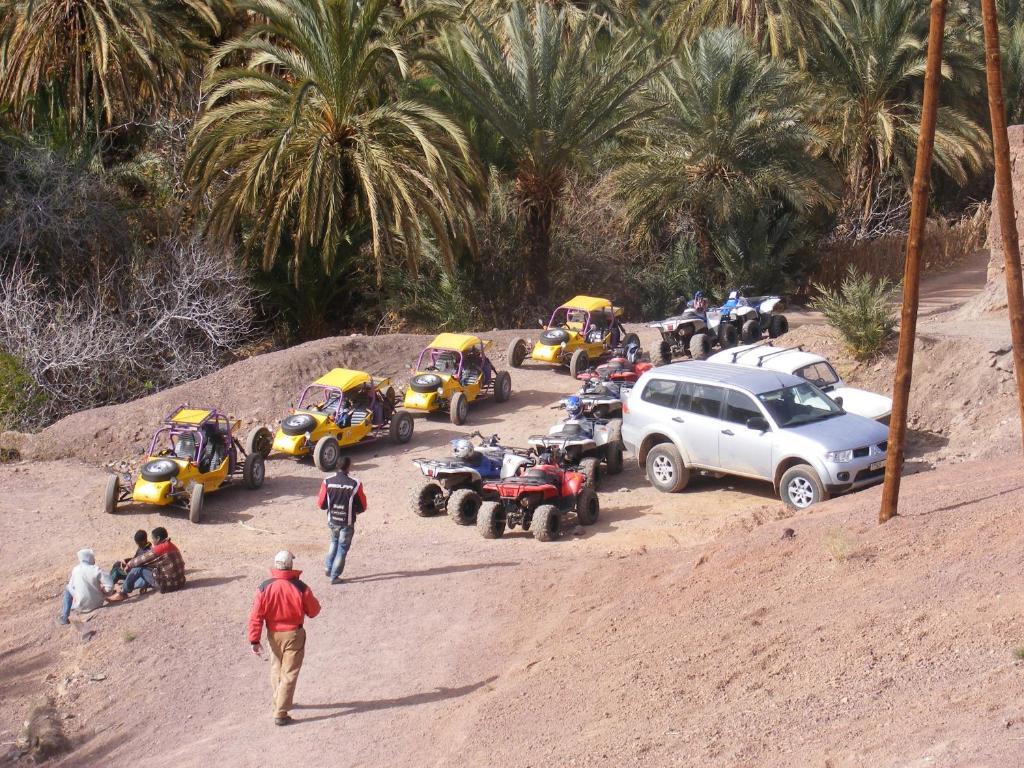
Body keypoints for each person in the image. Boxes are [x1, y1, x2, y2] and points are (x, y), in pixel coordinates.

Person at [248, 550, 321, 726]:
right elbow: (314, 611)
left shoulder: (264, 587)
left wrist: (254, 640)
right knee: (289, 673)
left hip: (273, 635)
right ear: (290, 565)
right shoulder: (300, 587)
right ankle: (280, 712)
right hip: (294, 634)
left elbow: (255, 616)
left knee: (276, 669)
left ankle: (278, 699)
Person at [316, 456, 367, 584]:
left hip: (332, 520)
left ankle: (328, 567)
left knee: (333, 542)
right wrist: (354, 511)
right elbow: (363, 505)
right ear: (348, 467)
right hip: (347, 522)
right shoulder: (355, 484)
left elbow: (321, 504)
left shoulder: (327, 482)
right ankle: (335, 576)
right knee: (342, 548)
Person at [108, 526, 185, 601]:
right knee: (146, 571)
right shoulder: (172, 546)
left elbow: (140, 560)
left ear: (158, 538)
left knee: (138, 569)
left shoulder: (159, 549)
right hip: (180, 582)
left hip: (168, 586)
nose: (153, 541)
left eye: (153, 538)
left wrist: (128, 564)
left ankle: (122, 593)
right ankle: (124, 587)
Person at [59, 549, 112, 625]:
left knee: (67, 588)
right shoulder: (96, 569)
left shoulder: (75, 570)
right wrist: (105, 593)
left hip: (82, 606)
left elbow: (72, 586)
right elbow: (109, 585)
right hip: (98, 603)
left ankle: (64, 617)